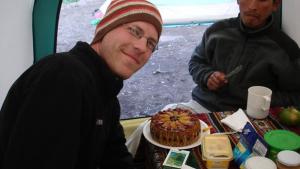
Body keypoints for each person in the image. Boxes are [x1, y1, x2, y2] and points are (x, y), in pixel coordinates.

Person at [0, 0, 162, 168]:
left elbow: (116, 160)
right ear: (106, 28)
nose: (142, 47)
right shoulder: (63, 76)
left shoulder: (107, 98)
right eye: (135, 31)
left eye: (151, 43)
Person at [189, 0, 300, 112]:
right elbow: (196, 62)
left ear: (275, 5)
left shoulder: (286, 49)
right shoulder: (217, 31)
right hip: (201, 106)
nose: (252, 6)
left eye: (262, 0)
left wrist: (262, 100)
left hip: (251, 117)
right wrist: (207, 76)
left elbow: (295, 95)